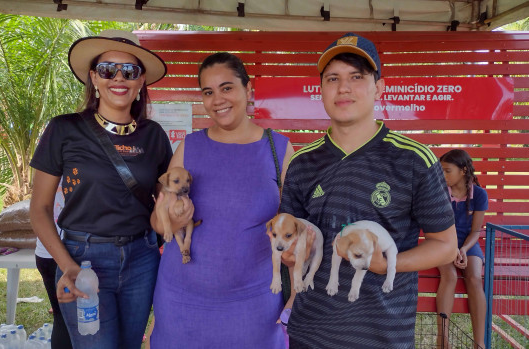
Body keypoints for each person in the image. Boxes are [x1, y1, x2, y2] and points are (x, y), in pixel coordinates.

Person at [279, 32, 458, 348]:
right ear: (321, 90)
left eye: (356, 77)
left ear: (379, 87)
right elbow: (293, 244)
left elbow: (445, 245)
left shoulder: (414, 159)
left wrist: (388, 263)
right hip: (310, 333)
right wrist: (292, 253)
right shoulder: (302, 163)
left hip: (382, 335)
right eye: (333, 78)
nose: (343, 87)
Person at [29, 30, 176, 349]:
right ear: (94, 78)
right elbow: (38, 210)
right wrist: (67, 267)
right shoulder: (64, 129)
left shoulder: (154, 136)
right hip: (83, 260)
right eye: (108, 69)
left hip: (142, 259)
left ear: (140, 83)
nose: (119, 78)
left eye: (130, 71)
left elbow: (169, 201)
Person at [149, 52, 295, 349]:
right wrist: (170, 220)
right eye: (208, 92)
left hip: (254, 303)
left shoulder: (278, 149)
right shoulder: (188, 146)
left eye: (227, 88)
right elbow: (157, 220)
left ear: (248, 89)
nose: (218, 100)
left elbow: (293, 226)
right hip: (182, 300)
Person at [437, 149, 488, 349]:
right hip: (442, 241)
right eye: (441, 171)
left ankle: (479, 343)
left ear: (463, 170)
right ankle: (443, 341)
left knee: (475, 277)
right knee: (450, 276)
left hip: (468, 243)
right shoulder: (440, 192)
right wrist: (452, 249)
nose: (443, 176)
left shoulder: (479, 194)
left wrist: (464, 249)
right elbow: (437, 227)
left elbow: (476, 231)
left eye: (447, 171)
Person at [34, 181, 72, 348]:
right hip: (68, 251)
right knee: (67, 321)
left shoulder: (47, 159)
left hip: (47, 249)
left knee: (63, 319)